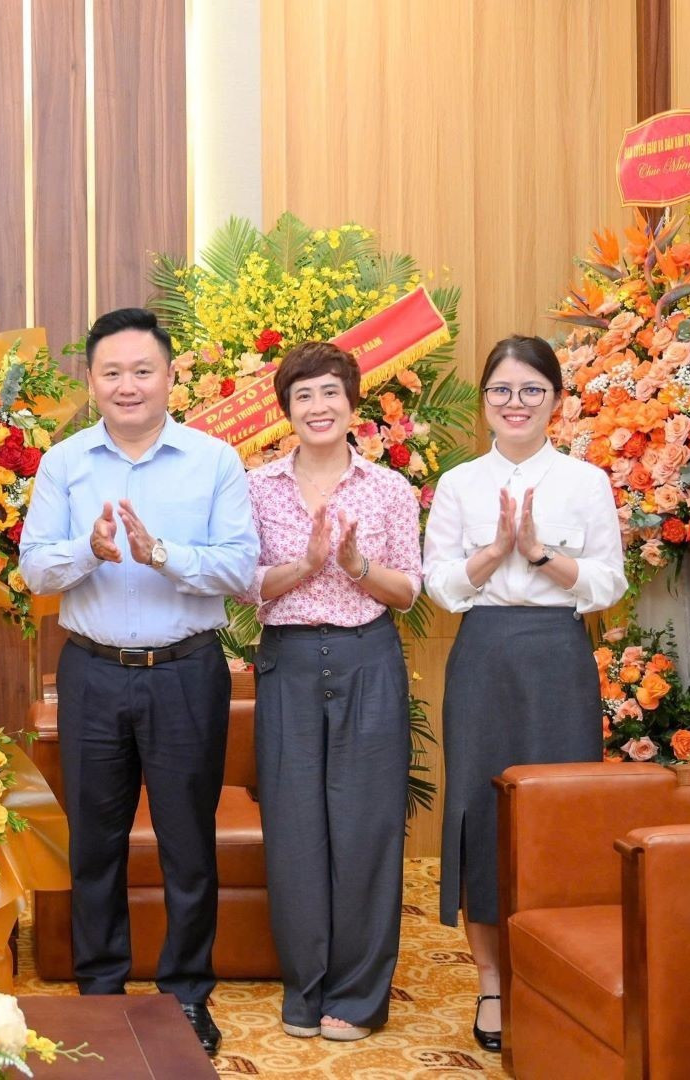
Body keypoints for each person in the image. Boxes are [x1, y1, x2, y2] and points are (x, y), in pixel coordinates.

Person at [20, 307, 260, 1056]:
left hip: (186, 671)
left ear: (169, 376)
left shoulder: (214, 460)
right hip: (92, 672)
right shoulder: (64, 462)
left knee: (189, 843)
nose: (128, 385)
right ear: (91, 381)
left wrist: (164, 554)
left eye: (142, 370)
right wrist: (90, 553)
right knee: (95, 844)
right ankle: (100, 992)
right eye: (112, 372)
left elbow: (241, 569)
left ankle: (187, 995)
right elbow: (34, 569)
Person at [423, 334, 626, 1052]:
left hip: (557, 656)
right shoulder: (459, 484)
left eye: (531, 391)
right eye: (502, 391)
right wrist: (492, 553)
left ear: (557, 403)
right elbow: (441, 587)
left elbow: (609, 583)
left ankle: (556, 966)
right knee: (481, 814)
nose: (515, 404)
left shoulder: (585, 481)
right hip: (482, 654)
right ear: (484, 403)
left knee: (560, 813)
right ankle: (492, 984)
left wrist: (540, 554)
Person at [244, 342, 422, 1042]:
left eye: (330, 393)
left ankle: (356, 993)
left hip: (366, 659)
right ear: (287, 410)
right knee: (292, 829)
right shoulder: (258, 488)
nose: (318, 407)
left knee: (367, 827)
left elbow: (408, 591)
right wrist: (308, 565)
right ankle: (305, 984)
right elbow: (246, 586)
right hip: (287, 659)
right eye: (303, 396)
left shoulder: (388, 491)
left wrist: (357, 566)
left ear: (354, 403)